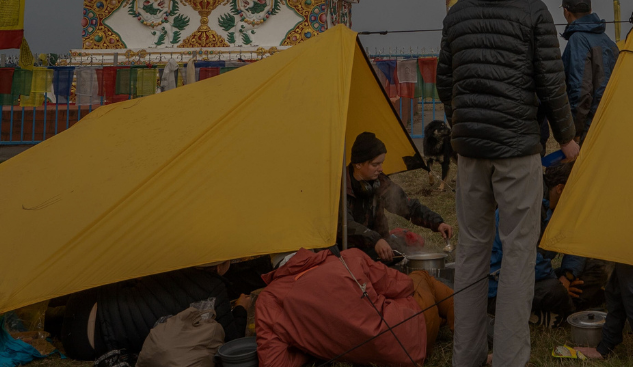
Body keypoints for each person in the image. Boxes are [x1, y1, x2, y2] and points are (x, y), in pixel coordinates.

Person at [437, 0, 578, 367]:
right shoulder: (535, 12)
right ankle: (510, 359)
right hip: (518, 147)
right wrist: (567, 138)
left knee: (472, 249)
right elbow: (551, 84)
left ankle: (467, 356)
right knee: (518, 252)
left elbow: (445, 81)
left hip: (470, 151)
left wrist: (462, 121)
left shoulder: (457, 14)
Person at [253, 247, 457, 367]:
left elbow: (274, 363)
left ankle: (445, 319)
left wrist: (311, 343)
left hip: (378, 359)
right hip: (414, 332)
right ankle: (464, 329)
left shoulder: (268, 300)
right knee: (420, 278)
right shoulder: (348, 257)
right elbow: (404, 286)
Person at [489, 161, 607, 322]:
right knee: (554, 290)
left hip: (537, 278)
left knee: (597, 267)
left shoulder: (560, 207)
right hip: (502, 286)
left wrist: (567, 276)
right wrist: (558, 284)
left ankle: (555, 310)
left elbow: (576, 244)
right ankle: (564, 312)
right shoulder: (527, 207)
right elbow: (527, 261)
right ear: (560, 189)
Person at [58, 267, 244, 361]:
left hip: (81, 303)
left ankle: (53, 317)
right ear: (221, 265)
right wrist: (241, 308)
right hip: (90, 345)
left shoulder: (166, 264)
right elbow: (232, 345)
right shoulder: (214, 287)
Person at [341, 131, 452, 262]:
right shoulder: (342, 188)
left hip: (381, 247)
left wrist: (437, 223)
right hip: (349, 254)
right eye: (375, 164)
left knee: (410, 253)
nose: (381, 169)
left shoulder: (380, 182)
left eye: (381, 163)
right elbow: (345, 226)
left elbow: (407, 206)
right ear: (358, 164)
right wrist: (376, 240)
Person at [560, 0, 618, 139]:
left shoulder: (577, 40)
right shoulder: (609, 41)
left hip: (589, 130)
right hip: (611, 124)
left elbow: (581, 91)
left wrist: (573, 132)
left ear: (566, 12)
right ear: (590, 10)